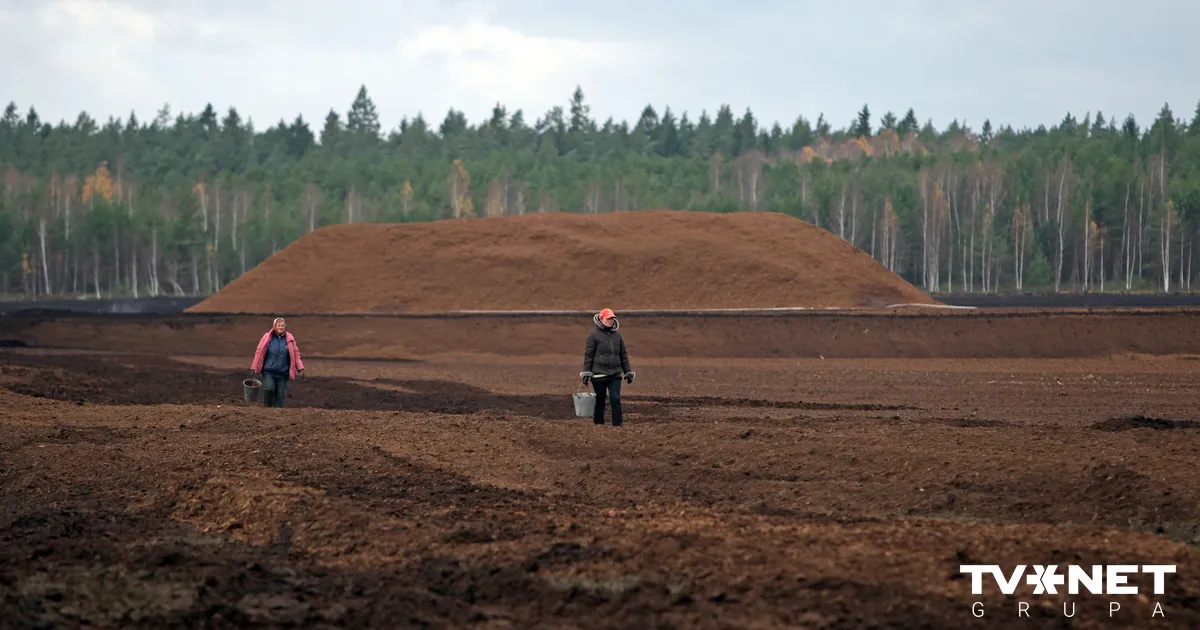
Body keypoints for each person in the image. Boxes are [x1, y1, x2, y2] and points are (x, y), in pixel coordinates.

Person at [580, 308, 635, 427]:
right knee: (600, 400)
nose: (610, 321)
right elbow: (589, 355)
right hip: (598, 374)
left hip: (615, 374)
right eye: (608, 319)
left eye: (612, 319)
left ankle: (617, 425)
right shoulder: (593, 335)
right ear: (601, 319)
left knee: (615, 399)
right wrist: (586, 372)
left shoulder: (618, 335)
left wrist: (628, 371)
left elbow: (623, 355)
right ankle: (599, 424)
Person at [250, 317, 304, 407]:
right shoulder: (267, 337)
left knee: (280, 395)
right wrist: (254, 367)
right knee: (269, 389)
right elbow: (259, 352)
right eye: (279, 325)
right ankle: (267, 408)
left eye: (283, 325)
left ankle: (277, 412)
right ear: (274, 326)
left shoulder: (289, 339)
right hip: (269, 370)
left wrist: (300, 368)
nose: (281, 327)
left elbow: (295, 354)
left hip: (283, 372)